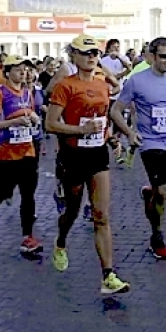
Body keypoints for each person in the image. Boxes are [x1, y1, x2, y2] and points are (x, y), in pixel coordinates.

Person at [45, 34, 130, 295]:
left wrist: (109, 137)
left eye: (95, 52)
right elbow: (50, 124)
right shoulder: (65, 86)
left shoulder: (103, 84)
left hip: (97, 154)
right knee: (72, 210)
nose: (91, 56)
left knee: (101, 214)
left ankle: (108, 275)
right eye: (85, 52)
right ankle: (61, 241)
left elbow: (102, 117)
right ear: (73, 56)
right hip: (72, 155)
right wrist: (80, 130)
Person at [110, 37, 166, 260]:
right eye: (163, 56)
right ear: (151, 56)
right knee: (162, 190)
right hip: (150, 144)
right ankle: (157, 237)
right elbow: (116, 110)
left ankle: (149, 194)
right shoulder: (136, 80)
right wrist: (130, 133)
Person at [0, 55, 43, 255]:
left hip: (26, 149)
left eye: (25, 70)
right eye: (18, 69)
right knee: (6, 191)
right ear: (7, 72)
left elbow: (29, 114)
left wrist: (34, 119)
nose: (23, 73)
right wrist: (12, 123)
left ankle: (27, 237)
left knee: (28, 194)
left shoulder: (27, 93)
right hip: (3, 151)